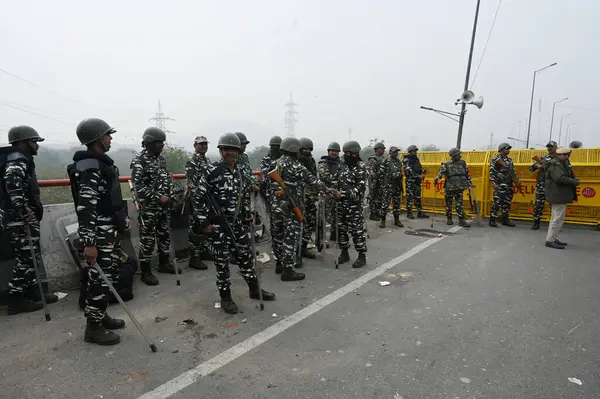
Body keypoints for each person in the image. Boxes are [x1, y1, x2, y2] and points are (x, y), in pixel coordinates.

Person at [192, 133, 275, 313]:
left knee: (245, 257)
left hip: (237, 224)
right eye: (226, 149)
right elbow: (197, 198)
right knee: (222, 263)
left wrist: (248, 215)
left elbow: (244, 196)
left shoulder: (241, 172)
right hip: (218, 226)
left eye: (233, 150)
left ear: (238, 152)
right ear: (221, 151)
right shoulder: (211, 171)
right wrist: (204, 222)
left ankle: (254, 290)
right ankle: (225, 298)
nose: (230, 153)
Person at [68, 118, 129, 345]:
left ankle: (100, 315)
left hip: (108, 231)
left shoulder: (100, 163)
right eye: (107, 135)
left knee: (108, 276)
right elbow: (86, 207)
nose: (110, 138)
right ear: (97, 139)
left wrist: (121, 218)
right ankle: (92, 328)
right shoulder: (90, 167)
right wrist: (89, 243)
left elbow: (108, 199)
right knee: (99, 280)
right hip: (98, 235)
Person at [0, 126, 58, 315]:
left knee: (32, 256)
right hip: (18, 220)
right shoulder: (17, 160)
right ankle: (16, 299)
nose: (37, 146)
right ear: (22, 142)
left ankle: (33, 292)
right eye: (34, 142)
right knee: (26, 259)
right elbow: (12, 184)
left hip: (20, 218)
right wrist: (24, 209)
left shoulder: (21, 159)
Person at [269, 137, 337, 280]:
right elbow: (313, 181)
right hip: (291, 208)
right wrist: (328, 190)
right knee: (290, 238)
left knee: (277, 236)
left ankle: (279, 263)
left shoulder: (274, 164)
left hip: (276, 208)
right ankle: (288, 270)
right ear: (295, 150)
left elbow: (265, 184)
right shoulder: (296, 166)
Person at [130, 127, 180, 286]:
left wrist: (171, 193)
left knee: (164, 235)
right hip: (149, 209)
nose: (162, 146)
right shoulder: (139, 160)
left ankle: (164, 264)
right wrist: (159, 197)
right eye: (159, 143)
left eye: (163, 143)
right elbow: (138, 187)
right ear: (149, 143)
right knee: (148, 240)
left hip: (164, 208)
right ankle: (145, 271)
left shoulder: (161, 160)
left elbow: (166, 179)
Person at [337, 141, 368, 268]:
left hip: (354, 205)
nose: (354, 155)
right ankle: (344, 253)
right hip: (341, 204)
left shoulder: (361, 166)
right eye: (351, 153)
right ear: (346, 153)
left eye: (356, 153)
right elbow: (336, 181)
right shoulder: (341, 165)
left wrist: (342, 194)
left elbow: (359, 188)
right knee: (341, 229)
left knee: (357, 231)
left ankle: (362, 256)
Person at [544, 147, 579, 249]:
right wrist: (574, 182)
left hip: (559, 195)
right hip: (557, 195)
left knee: (557, 218)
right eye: (566, 155)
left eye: (568, 155)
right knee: (557, 218)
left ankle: (553, 238)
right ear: (559, 155)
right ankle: (550, 240)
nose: (568, 157)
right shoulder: (556, 165)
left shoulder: (561, 164)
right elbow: (559, 178)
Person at [185, 136, 212, 270]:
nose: (204, 146)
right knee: (195, 229)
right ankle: (194, 258)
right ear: (195, 145)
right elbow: (192, 184)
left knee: (204, 226)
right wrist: (198, 202)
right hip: (196, 200)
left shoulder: (207, 160)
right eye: (201, 144)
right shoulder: (192, 161)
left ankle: (204, 252)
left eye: (205, 144)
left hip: (206, 199)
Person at [434, 148, 473, 227]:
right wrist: (437, 178)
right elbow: (441, 172)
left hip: (459, 187)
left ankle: (461, 220)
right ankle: (449, 218)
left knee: (459, 204)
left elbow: (467, 173)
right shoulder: (447, 164)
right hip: (449, 188)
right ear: (454, 156)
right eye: (458, 154)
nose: (460, 156)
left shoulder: (462, 163)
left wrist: (469, 183)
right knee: (449, 204)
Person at [489, 143, 521, 227]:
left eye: (509, 149)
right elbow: (492, 172)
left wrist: (517, 181)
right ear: (501, 150)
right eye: (507, 149)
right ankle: (492, 219)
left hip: (509, 184)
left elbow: (513, 172)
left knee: (507, 203)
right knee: (497, 202)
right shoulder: (496, 159)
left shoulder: (509, 160)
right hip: (500, 184)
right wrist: (494, 184)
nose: (508, 150)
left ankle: (505, 219)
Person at [530, 141, 557, 230]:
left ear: (555, 147)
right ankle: (536, 223)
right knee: (538, 205)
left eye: (551, 147)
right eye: (548, 147)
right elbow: (531, 168)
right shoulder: (544, 158)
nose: (549, 148)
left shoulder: (559, 158)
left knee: (554, 207)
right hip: (541, 185)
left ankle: (554, 225)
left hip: (553, 186)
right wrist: (537, 165)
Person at [298, 137, 318, 259]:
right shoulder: (297, 162)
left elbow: (313, 177)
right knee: (298, 225)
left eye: (309, 149)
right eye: (304, 149)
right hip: (300, 198)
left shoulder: (311, 160)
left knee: (310, 223)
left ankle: (304, 247)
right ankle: (297, 252)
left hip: (310, 197)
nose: (307, 151)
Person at [318, 142, 341, 242]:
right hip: (326, 194)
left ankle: (334, 235)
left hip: (337, 194)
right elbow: (325, 177)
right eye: (332, 151)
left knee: (337, 216)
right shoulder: (323, 163)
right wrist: (338, 181)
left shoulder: (341, 163)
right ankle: (321, 238)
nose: (334, 153)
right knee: (322, 217)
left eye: (336, 151)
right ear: (328, 152)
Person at [260, 136, 283, 239]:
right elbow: (266, 175)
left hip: (283, 191)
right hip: (271, 192)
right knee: (273, 216)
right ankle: (274, 239)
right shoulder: (266, 159)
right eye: (274, 146)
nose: (276, 148)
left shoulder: (284, 159)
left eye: (278, 146)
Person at [378, 146, 404, 228]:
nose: (396, 153)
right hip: (388, 186)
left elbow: (400, 173)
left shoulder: (399, 162)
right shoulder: (386, 161)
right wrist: (383, 185)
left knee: (397, 204)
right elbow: (381, 174)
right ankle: (383, 221)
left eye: (397, 152)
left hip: (397, 186)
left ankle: (397, 220)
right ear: (390, 152)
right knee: (385, 205)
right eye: (394, 152)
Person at [403, 145, 429, 219]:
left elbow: (419, 167)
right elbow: (409, 171)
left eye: (416, 151)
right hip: (410, 182)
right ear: (410, 151)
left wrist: (423, 170)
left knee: (418, 197)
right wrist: (418, 176)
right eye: (414, 151)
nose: (415, 152)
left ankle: (420, 212)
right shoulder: (406, 160)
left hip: (417, 182)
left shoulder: (416, 159)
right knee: (410, 198)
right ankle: (409, 213)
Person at [367, 142, 386, 221]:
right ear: (376, 150)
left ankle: (377, 212)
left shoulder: (383, 158)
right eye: (381, 149)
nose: (383, 150)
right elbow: (372, 172)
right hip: (375, 182)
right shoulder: (373, 159)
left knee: (380, 198)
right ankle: (373, 214)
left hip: (381, 182)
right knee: (373, 198)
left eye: (383, 149)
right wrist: (374, 183)